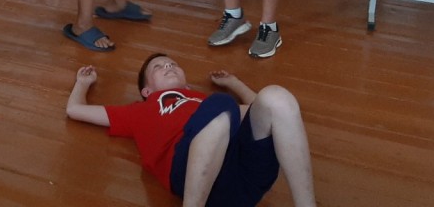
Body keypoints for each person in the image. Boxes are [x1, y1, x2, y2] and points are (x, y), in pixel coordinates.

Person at [66, 53, 317, 207]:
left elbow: (261, 110)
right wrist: (82, 83)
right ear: (147, 91)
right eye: (158, 67)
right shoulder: (138, 110)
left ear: (186, 86)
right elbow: (75, 110)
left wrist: (234, 83)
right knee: (222, 105)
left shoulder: (203, 100)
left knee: (277, 97)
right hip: (193, 181)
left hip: (242, 179)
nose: (168, 66)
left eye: (173, 64)